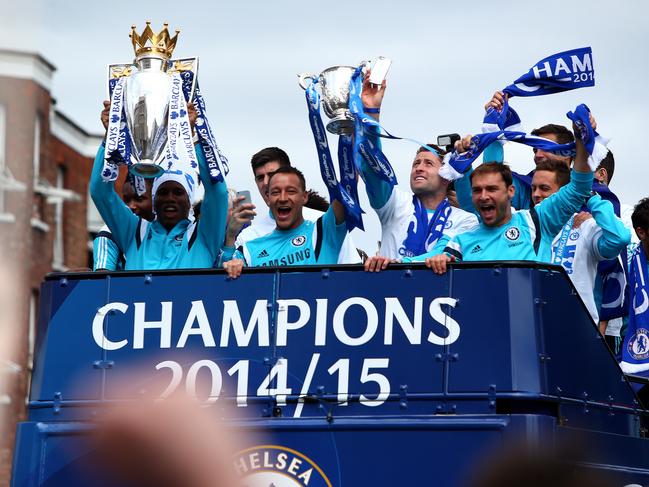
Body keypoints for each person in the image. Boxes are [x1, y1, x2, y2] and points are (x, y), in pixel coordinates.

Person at [426, 115, 596, 274]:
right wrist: (438, 261)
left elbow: (578, 188)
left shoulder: (537, 221)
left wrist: (582, 141)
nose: (484, 196)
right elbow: (441, 271)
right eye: (477, 190)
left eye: (492, 189)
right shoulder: (460, 242)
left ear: (510, 191)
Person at [90, 106, 228, 270]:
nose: (170, 198)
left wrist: (193, 135)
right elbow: (100, 192)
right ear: (154, 199)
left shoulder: (204, 236)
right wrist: (111, 136)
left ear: (189, 199)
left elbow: (217, 192)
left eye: (178, 192)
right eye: (162, 192)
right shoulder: (134, 232)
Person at [359, 74, 479, 262]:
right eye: (416, 163)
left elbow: (444, 254)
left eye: (428, 163)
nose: (419, 168)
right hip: (390, 290)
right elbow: (373, 167)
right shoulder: (395, 204)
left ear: (447, 176)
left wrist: (400, 264)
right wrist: (371, 113)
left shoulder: (466, 220)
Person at [529, 160, 630, 324]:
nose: (536, 194)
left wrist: (592, 198)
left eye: (544, 188)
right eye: (533, 188)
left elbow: (619, 239)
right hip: (533, 325)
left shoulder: (585, 226)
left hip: (575, 330)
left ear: (566, 192)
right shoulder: (524, 225)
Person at [222, 147, 361, 265]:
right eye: (260, 178)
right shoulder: (248, 239)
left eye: (272, 175)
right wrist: (230, 236)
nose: (265, 183)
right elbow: (225, 282)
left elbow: (347, 185)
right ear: (268, 197)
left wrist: (350, 132)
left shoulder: (322, 225)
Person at [222, 166, 347, 278]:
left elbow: (348, 183)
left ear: (304, 197)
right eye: (275, 192)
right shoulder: (249, 249)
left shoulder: (323, 231)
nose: (282, 198)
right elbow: (221, 279)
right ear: (269, 199)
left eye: (290, 191)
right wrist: (232, 260)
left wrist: (353, 142)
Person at [93, 177, 153, 270]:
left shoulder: (166, 230)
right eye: (126, 200)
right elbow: (103, 280)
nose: (131, 206)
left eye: (139, 199)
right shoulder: (108, 232)